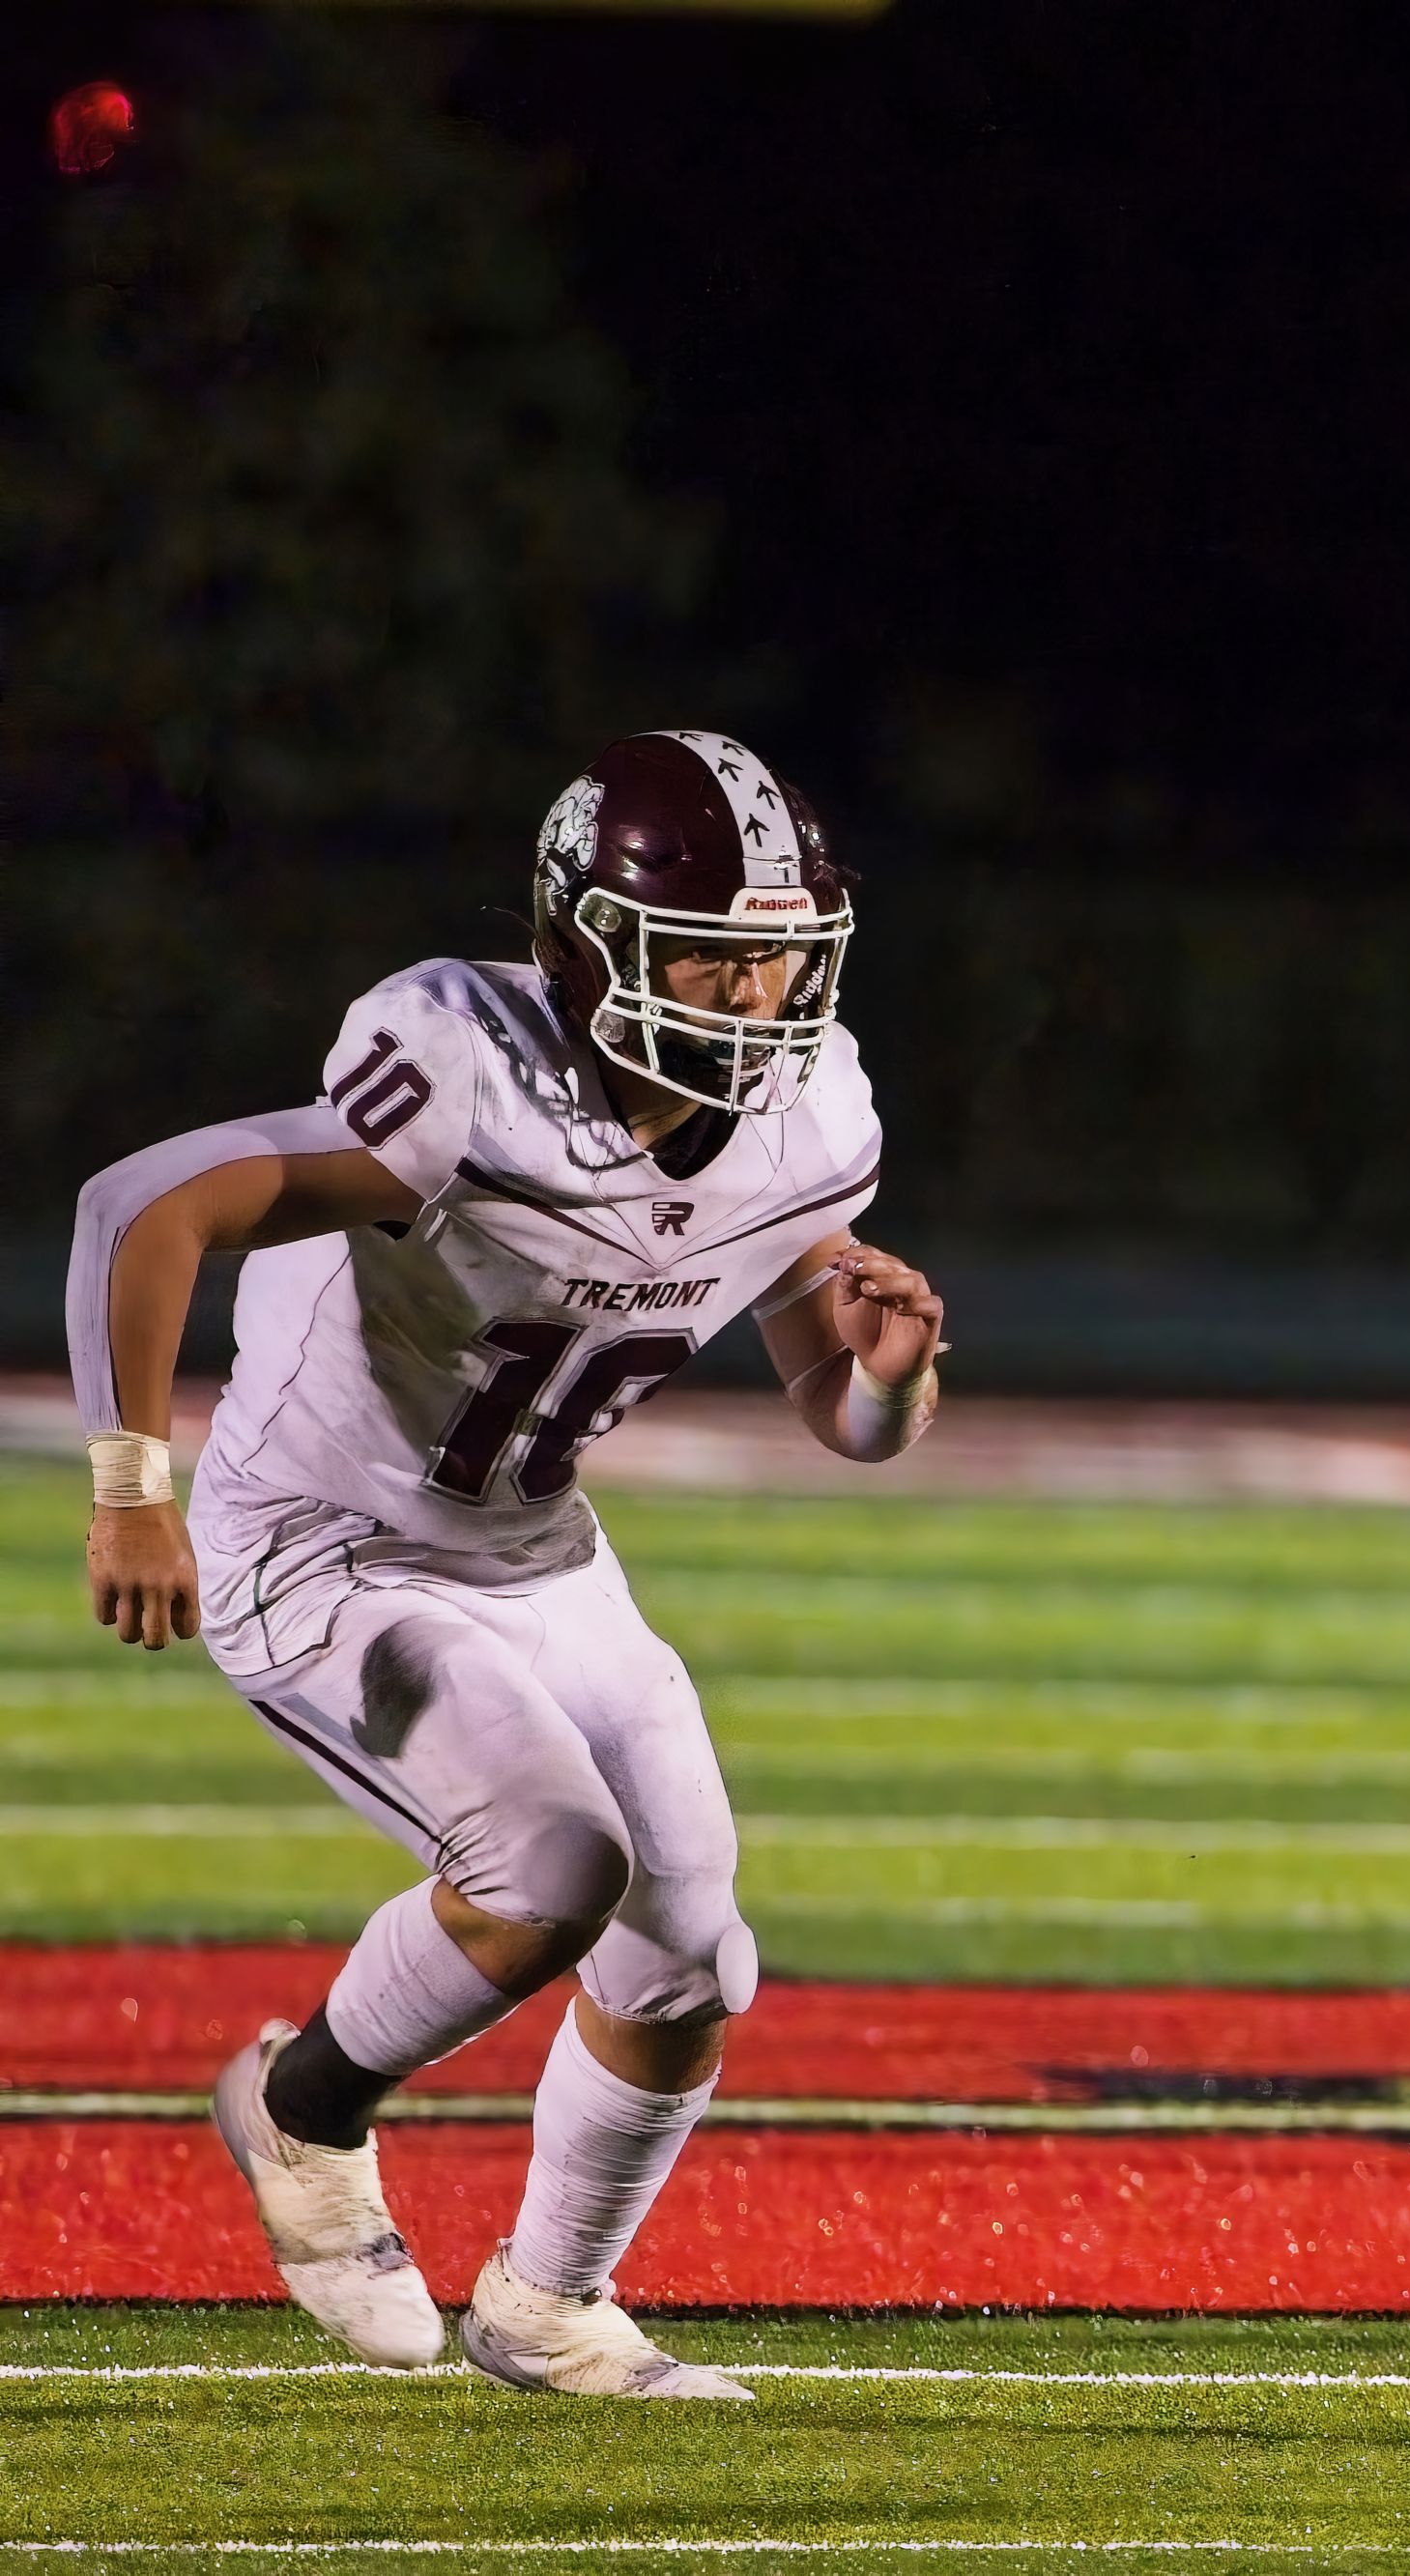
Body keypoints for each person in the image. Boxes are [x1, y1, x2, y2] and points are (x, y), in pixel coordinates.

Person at [70, 731, 945, 2401]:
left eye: (779, 955)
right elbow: (144, 1203)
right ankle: (301, 2109)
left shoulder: (810, 1119)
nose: (752, 996)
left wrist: (891, 1372)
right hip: (324, 1537)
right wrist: (130, 1485)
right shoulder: (463, 1070)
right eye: (707, 951)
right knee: (552, 1865)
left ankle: (550, 2303)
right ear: (582, 940)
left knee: (694, 1951)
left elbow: (844, 1413)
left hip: (538, 1552)